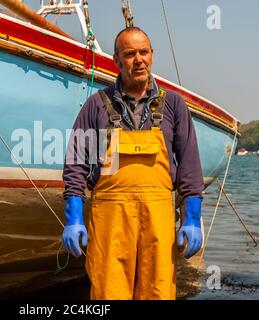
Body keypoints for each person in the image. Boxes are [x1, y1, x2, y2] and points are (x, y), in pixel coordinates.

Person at [61, 27, 204, 300]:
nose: (138, 59)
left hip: (158, 218)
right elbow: (76, 163)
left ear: (152, 56)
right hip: (110, 220)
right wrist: (74, 217)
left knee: (158, 290)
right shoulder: (96, 105)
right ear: (116, 60)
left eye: (144, 52)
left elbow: (189, 165)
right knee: (108, 293)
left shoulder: (173, 104)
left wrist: (192, 217)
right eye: (129, 54)